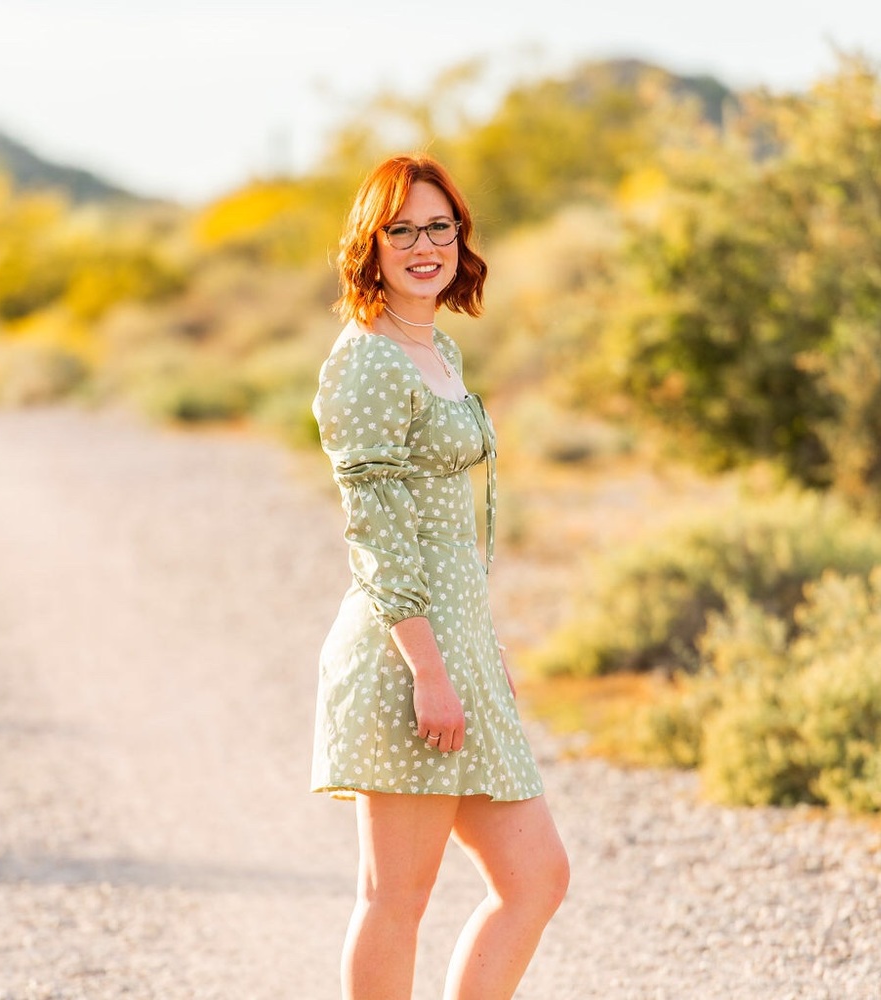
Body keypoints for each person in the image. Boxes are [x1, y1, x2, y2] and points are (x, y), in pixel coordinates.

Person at [311, 153, 570, 1000]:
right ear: (371, 243)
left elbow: (449, 533)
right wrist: (430, 668)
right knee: (396, 899)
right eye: (403, 229)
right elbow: (379, 534)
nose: (425, 245)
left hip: (457, 649)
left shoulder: (434, 343)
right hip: (406, 660)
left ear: (460, 235)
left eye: (440, 226)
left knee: (536, 879)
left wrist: (480, 651)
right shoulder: (367, 362)